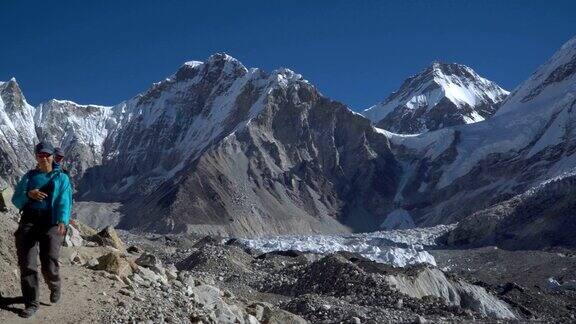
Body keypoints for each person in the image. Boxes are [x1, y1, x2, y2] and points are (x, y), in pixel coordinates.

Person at [11, 141, 72, 318]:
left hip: (51, 223)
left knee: (49, 261)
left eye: (47, 155)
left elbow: (64, 200)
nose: (44, 158)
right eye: (40, 155)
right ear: (36, 157)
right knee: (27, 263)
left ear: (53, 157)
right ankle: (31, 302)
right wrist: (28, 194)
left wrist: (62, 219)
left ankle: (54, 284)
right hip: (29, 221)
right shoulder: (29, 177)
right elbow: (16, 199)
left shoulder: (61, 178)